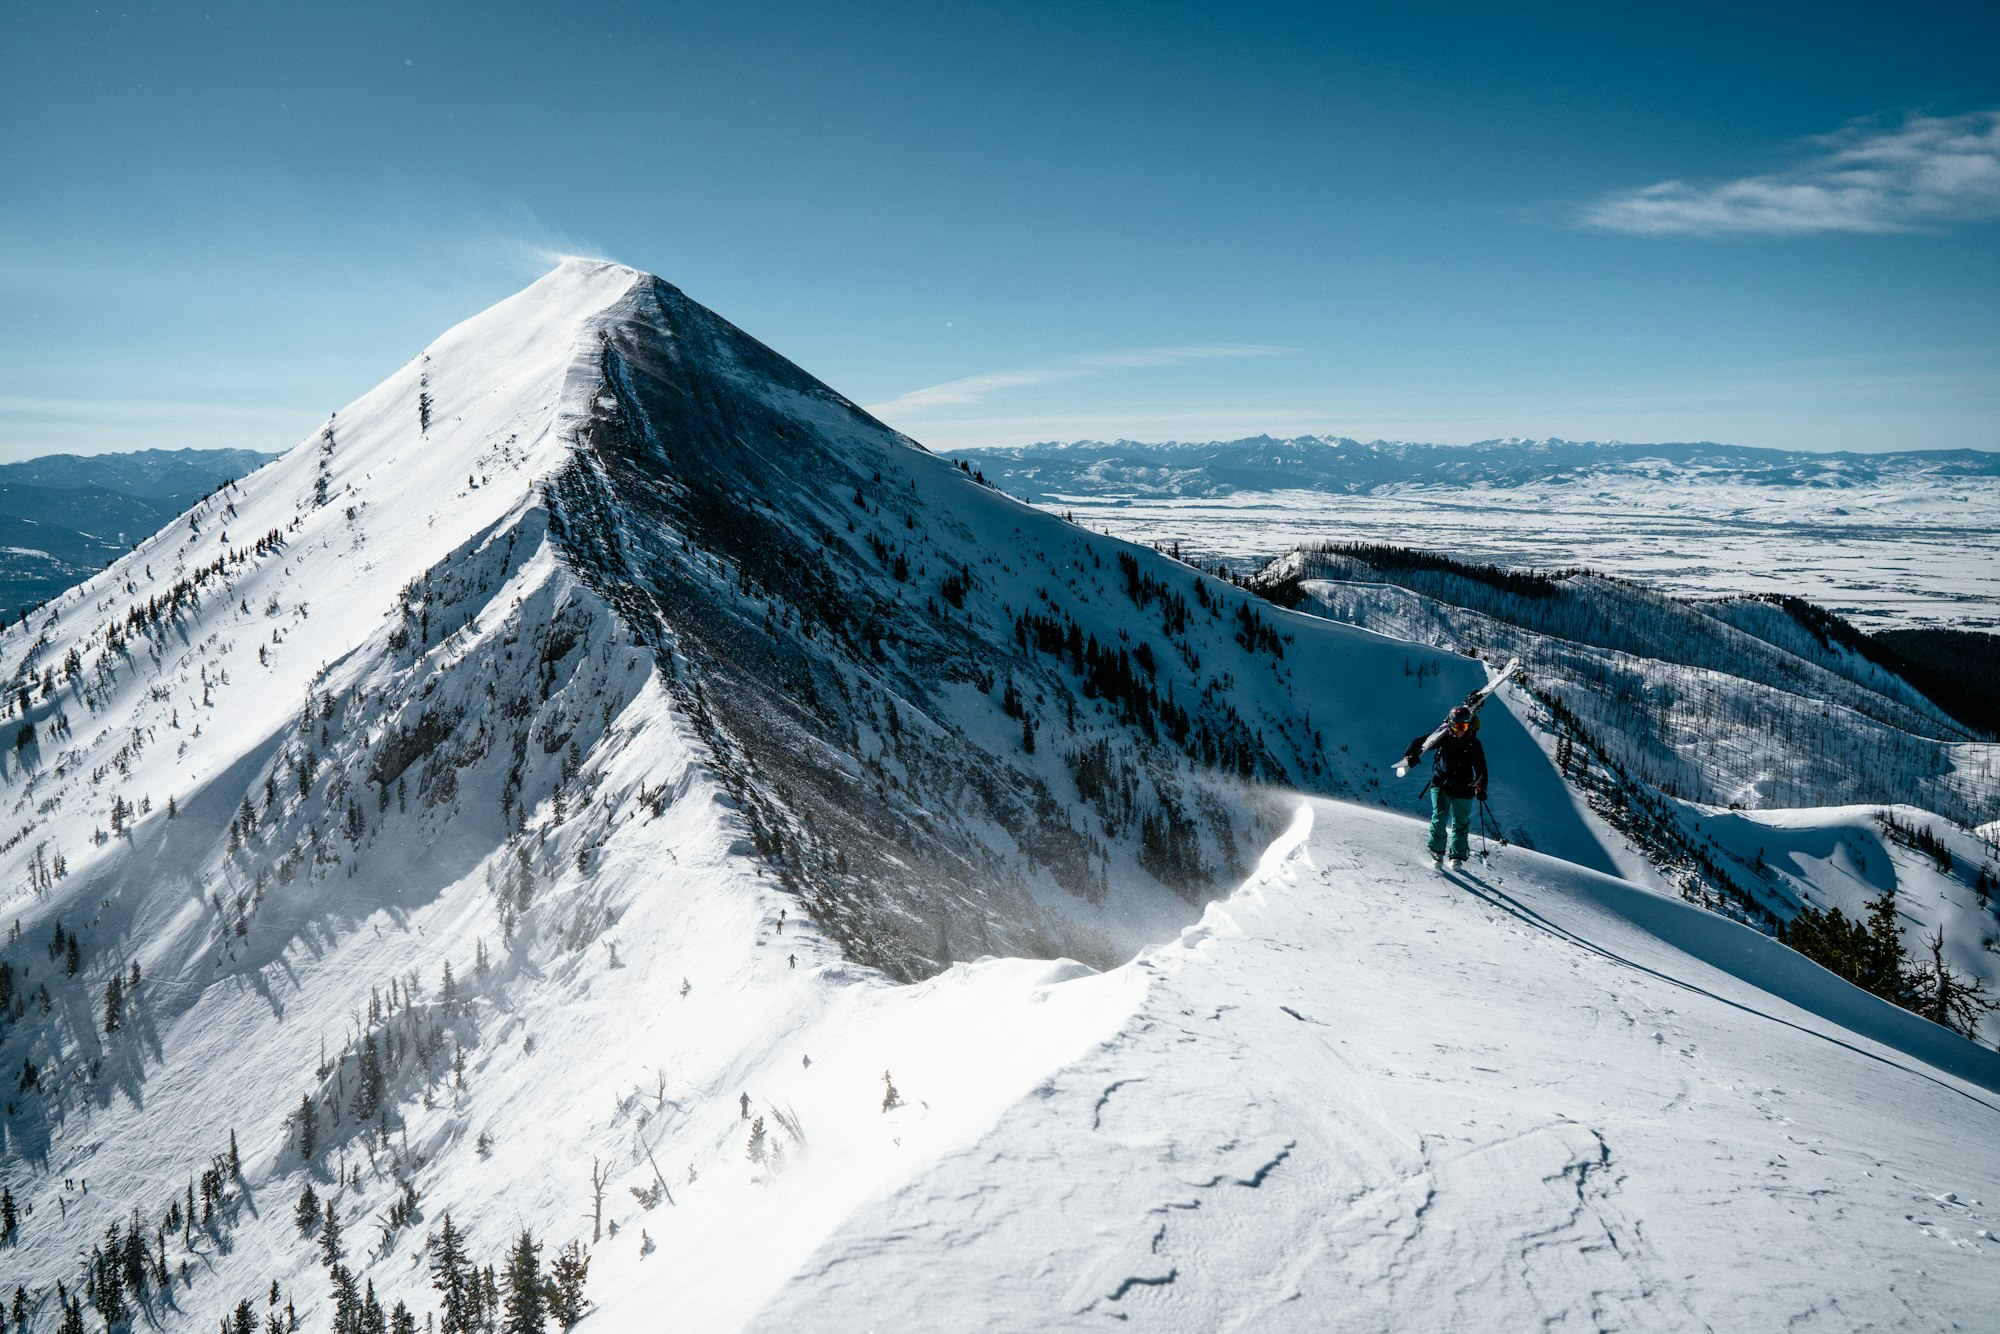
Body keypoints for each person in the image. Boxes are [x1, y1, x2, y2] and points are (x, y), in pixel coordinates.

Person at [1427, 705, 1488, 869]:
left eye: (1464, 727)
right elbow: (1422, 743)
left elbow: (1481, 768)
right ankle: (1437, 852)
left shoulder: (1474, 743)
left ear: (1468, 726)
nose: (1460, 730)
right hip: (1442, 784)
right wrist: (1411, 753)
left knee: (1460, 824)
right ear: (1450, 725)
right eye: (1456, 726)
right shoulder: (1443, 738)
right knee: (1439, 818)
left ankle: (1457, 856)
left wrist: (1482, 789)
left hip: (1464, 788)